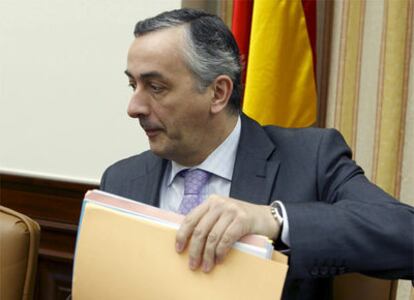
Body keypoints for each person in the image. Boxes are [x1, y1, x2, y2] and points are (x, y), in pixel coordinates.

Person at [100, 8, 413, 299]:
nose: (134, 108)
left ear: (218, 93)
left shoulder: (310, 160)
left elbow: (405, 234)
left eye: (156, 87)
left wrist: (273, 219)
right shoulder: (122, 180)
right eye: (133, 86)